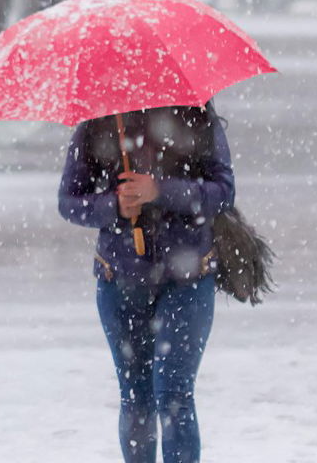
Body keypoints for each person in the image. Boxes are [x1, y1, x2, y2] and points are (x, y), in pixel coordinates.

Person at [58, 103, 235, 463]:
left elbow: (223, 191)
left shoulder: (196, 115)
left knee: (174, 395)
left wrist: (160, 190)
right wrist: (113, 206)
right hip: (119, 280)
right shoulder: (98, 122)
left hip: (188, 279)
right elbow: (68, 201)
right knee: (136, 398)